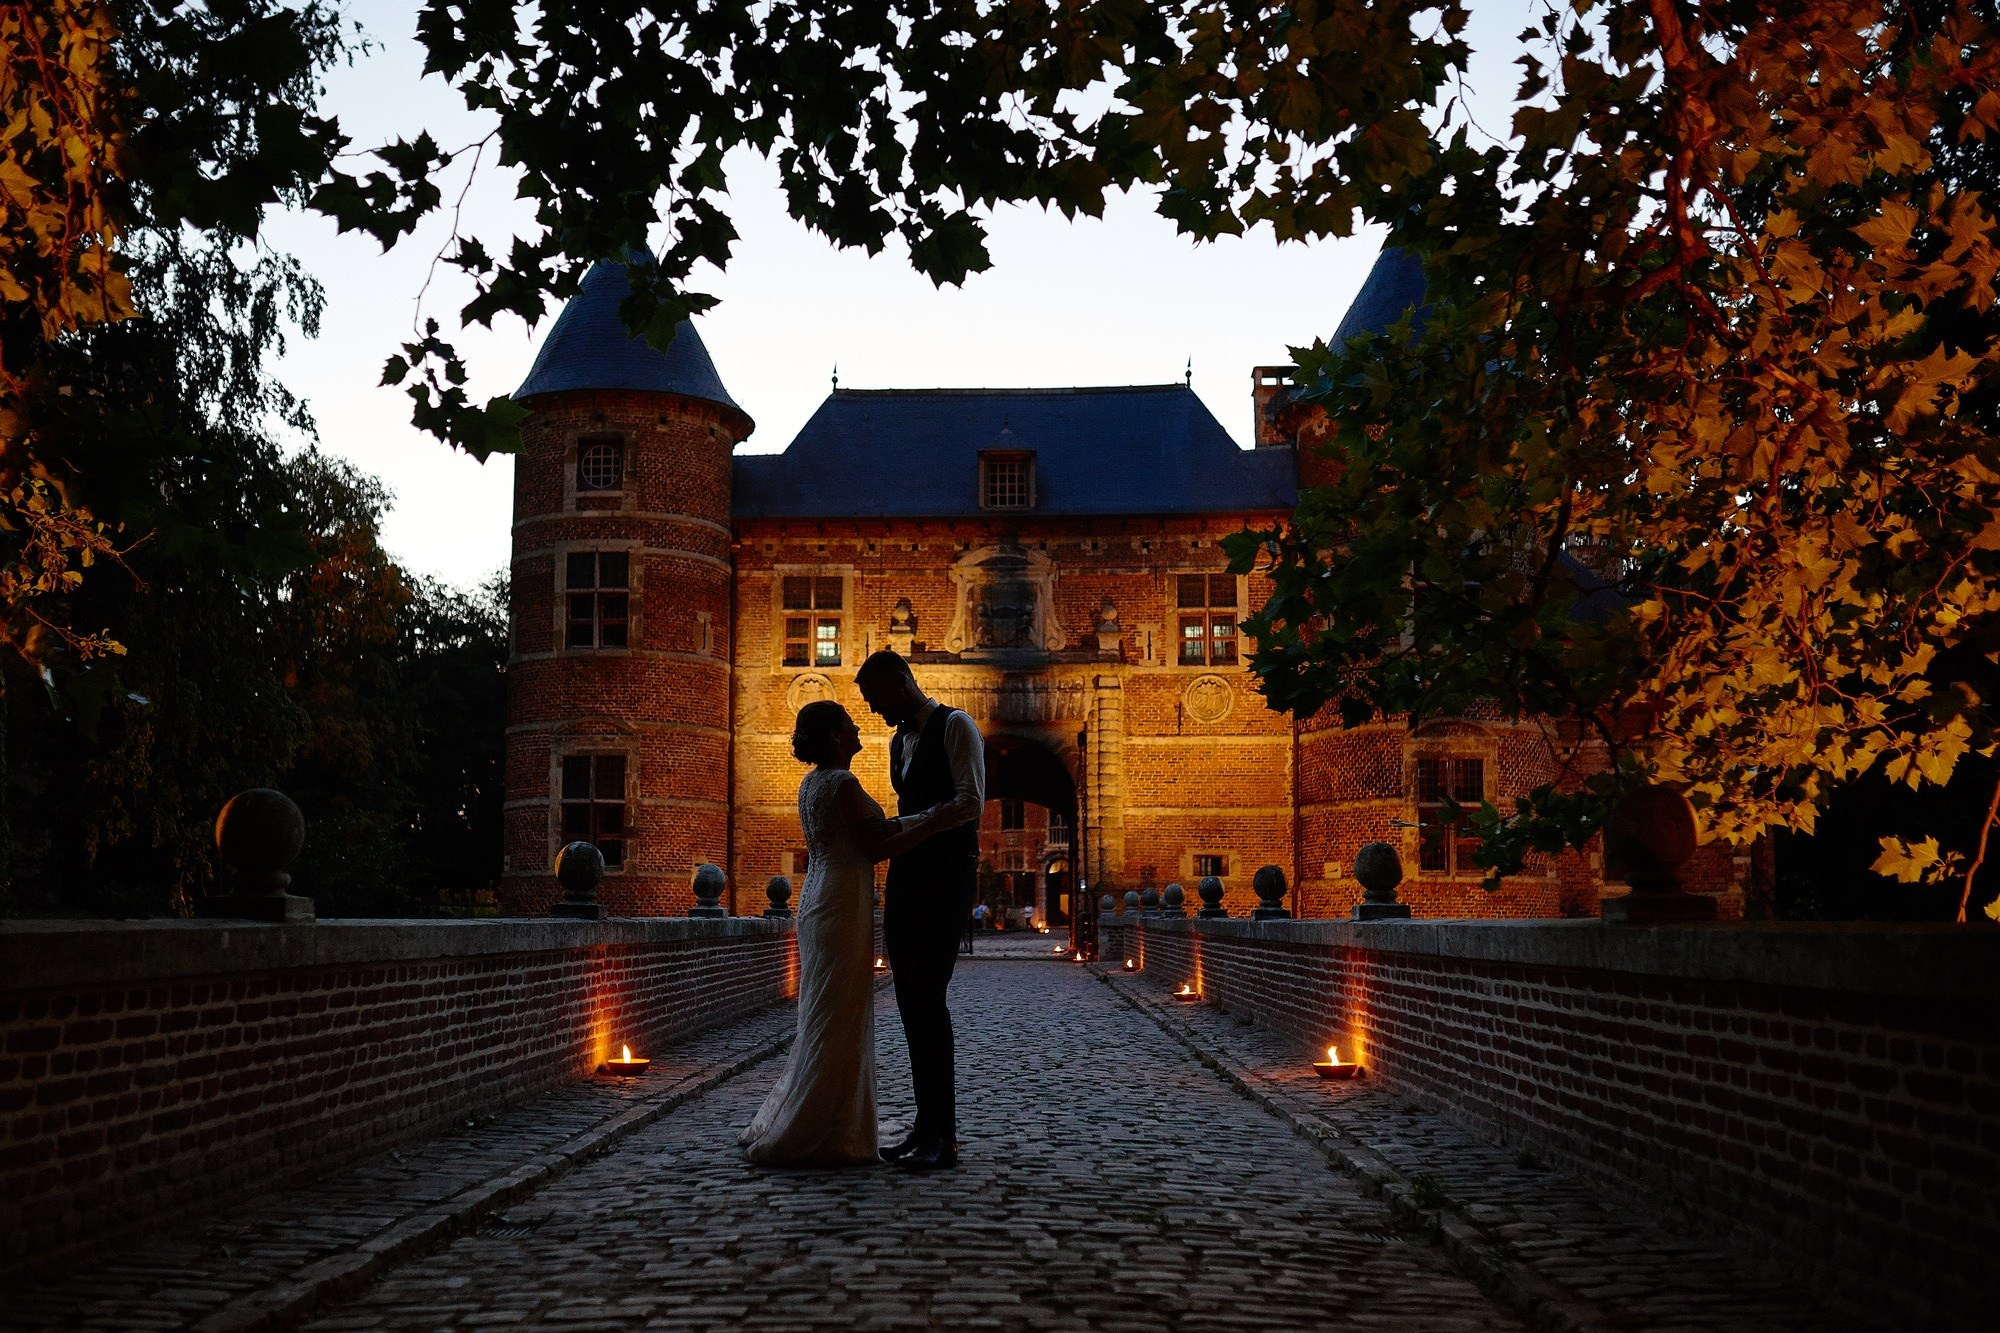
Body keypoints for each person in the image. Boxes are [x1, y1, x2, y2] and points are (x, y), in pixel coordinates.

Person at [738, 700, 939, 1166]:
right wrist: (934, 822)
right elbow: (876, 847)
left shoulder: (812, 783)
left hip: (818, 897)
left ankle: (832, 1116)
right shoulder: (843, 783)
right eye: (848, 724)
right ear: (833, 736)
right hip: (842, 902)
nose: (856, 729)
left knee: (824, 1010)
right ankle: (822, 1125)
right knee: (840, 1013)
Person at [855, 649, 985, 1172]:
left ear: (900, 682)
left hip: (946, 877)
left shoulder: (957, 727)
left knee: (929, 1001)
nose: (873, 711)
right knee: (910, 1004)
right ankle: (924, 1126)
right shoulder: (897, 740)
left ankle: (944, 1138)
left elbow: (970, 802)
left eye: (876, 699)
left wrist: (910, 827)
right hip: (907, 879)